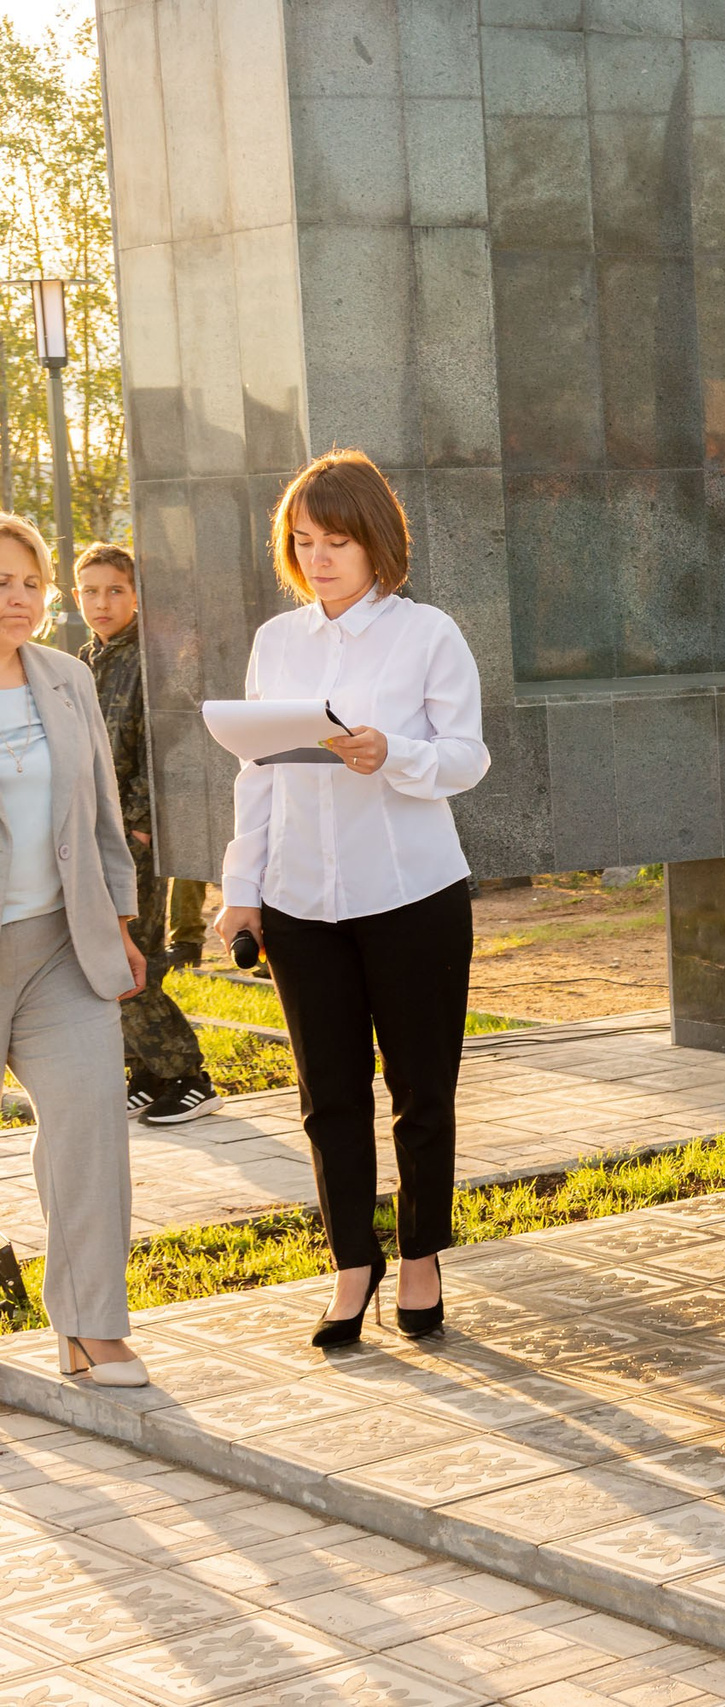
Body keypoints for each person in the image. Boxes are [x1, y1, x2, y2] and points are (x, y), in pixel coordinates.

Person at [213, 450, 489, 1349]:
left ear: (377, 542)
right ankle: (351, 1264)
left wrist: (392, 754)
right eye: (304, 540)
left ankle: (420, 1257)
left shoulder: (428, 633)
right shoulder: (275, 643)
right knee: (327, 1093)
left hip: (412, 895)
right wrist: (243, 891)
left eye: (337, 540)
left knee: (421, 1091)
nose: (320, 557)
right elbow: (256, 777)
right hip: (299, 902)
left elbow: (467, 757)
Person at [0, 517, 153, 1386]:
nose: (17, 598)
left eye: (30, 582)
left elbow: (99, 813)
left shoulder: (66, 679)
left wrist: (121, 926)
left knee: (91, 1124)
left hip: (64, 941)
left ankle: (91, 1324)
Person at [75, 543, 219, 1125]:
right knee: (117, 959)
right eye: (89, 590)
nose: (101, 602)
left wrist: (135, 829)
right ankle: (149, 1072)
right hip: (86, 836)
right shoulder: (85, 661)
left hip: (131, 839)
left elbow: (170, 752)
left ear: (137, 595)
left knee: (122, 959)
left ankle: (189, 1076)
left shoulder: (154, 663)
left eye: (114, 589)